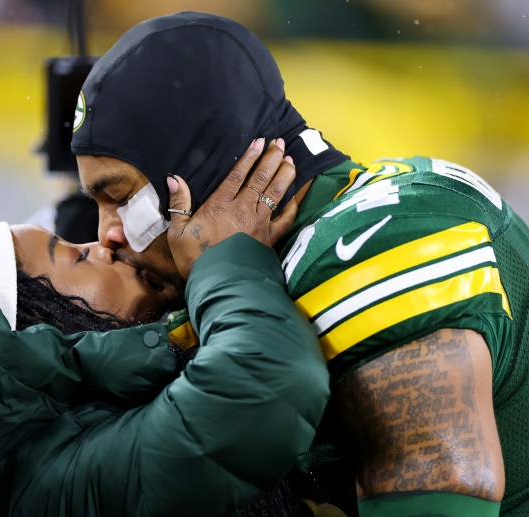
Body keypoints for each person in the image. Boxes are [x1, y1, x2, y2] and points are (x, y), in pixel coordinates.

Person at [70, 11, 528, 516]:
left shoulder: (372, 244)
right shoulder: (289, 255)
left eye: (120, 197)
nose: (106, 235)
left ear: (196, 169)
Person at [0, 145, 330, 515]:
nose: (103, 243)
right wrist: (228, 259)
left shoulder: (32, 449)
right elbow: (266, 383)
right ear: (32, 334)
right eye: (73, 255)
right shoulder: (54, 488)